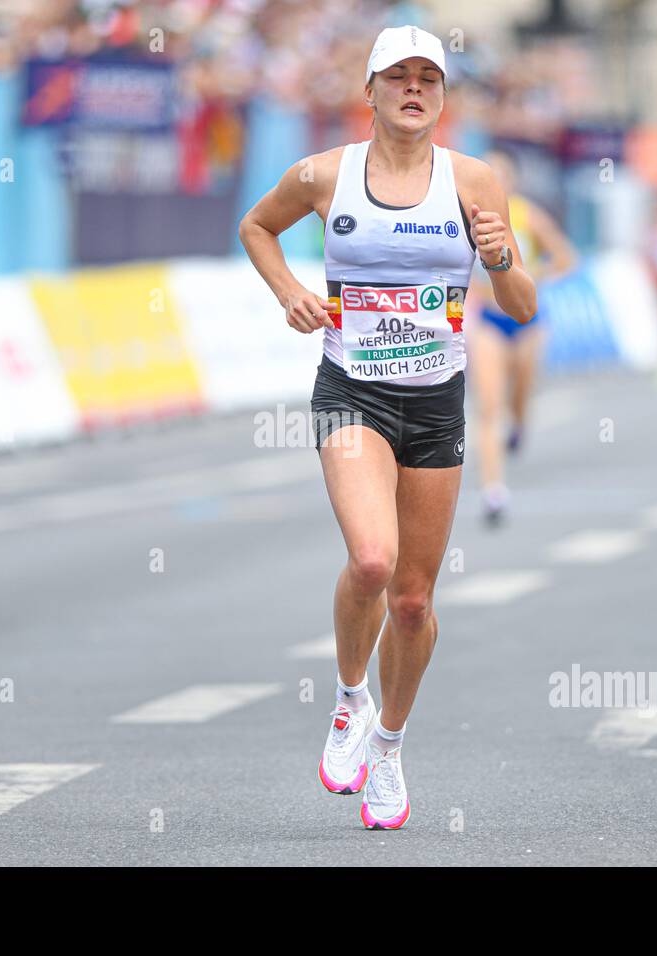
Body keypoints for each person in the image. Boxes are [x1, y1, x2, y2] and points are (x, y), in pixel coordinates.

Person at [238, 25, 536, 829]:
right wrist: (289, 292)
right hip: (351, 391)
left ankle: (389, 749)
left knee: (412, 601)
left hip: (437, 401)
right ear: (367, 92)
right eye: (397, 77)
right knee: (371, 560)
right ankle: (347, 701)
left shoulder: (476, 182)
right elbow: (256, 227)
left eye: (429, 80)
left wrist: (503, 260)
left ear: (443, 98)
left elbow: (524, 309)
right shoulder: (324, 175)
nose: (414, 90)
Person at [465, 149, 576, 525]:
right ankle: (494, 492)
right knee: (488, 405)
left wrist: (532, 278)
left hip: (526, 319)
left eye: (500, 176)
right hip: (490, 323)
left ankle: (520, 424)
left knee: (520, 395)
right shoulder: (465, 217)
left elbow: (565, 258)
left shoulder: (527, 215)